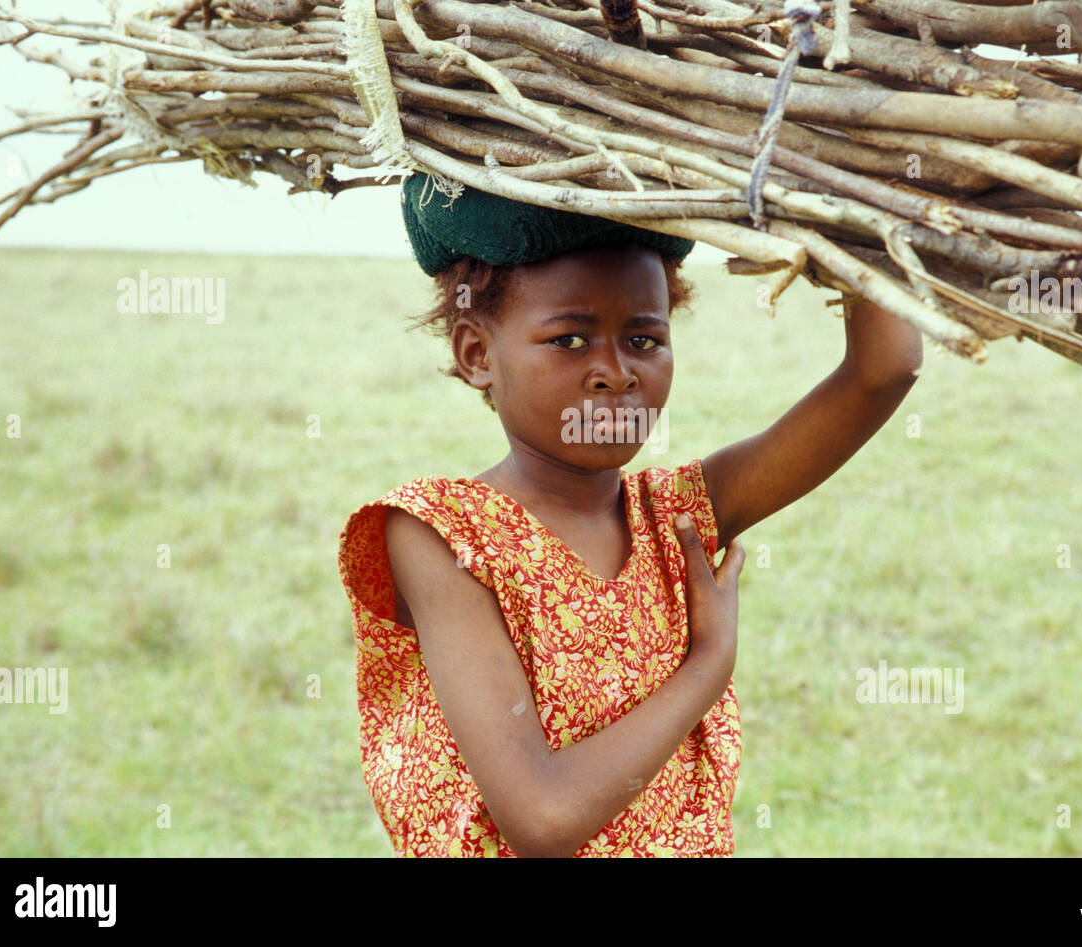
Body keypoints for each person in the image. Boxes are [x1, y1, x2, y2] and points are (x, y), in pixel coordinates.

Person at [338, 170, 923, 857]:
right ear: (476, 353)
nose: (615, 372)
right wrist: (707, 666)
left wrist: (848, 197)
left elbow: (884, 370)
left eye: (644, 339)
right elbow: (544, 818)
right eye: (570, 339)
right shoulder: (440, 534)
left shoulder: (679, 514)